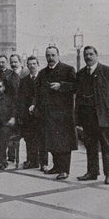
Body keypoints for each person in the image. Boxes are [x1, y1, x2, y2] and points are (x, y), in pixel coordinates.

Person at [75, 46, 109, 185]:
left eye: (91, 54)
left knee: (106, 146)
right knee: (90, 146)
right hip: (87, 118)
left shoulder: (108, 72)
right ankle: (92, 172)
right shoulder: (81, 74)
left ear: (97, 55)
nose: (88, 57)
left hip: (103, 117)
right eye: (86, 55)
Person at [30, 45, 77, 180]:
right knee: (52, 141)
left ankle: (64, 170)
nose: (50, 58)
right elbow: (37, 92)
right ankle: (56, 166)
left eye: (52, 55)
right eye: (48, 55)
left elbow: (76, 86)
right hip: (47, 113)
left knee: (64, 142)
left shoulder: (68, 69)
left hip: (63, 114)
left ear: (58, 55)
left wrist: (61, 86)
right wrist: (34, 104)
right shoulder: (43, 73)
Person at [18, 56, 47, 170]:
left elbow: (43, 96)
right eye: (29, 64)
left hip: (40, 114)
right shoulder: (24, 81)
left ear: (38, 65)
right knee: (29, 139)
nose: (32, 66)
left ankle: (43, 163)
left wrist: (35, 105)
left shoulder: (43, 79)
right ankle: (31, 161)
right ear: (27, 66)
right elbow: (21, 99)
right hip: (28, 116)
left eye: (34, 63)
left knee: (42, 139)